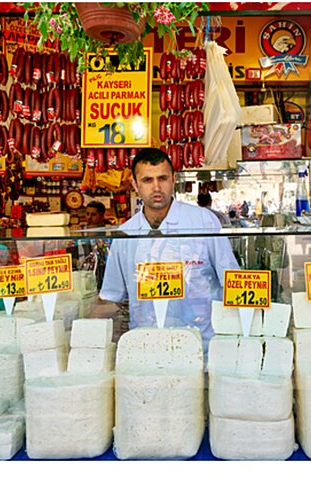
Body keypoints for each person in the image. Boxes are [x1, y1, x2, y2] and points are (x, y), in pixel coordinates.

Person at [99, 147, 239, 353]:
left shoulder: (203, 220)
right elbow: (112, 296)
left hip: (201, 345)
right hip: (146, 345)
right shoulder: (126, 234)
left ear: (174, 180)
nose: (156, 187)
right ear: (135, 185)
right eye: (147, 180)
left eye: (162, 178)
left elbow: (231, 280)